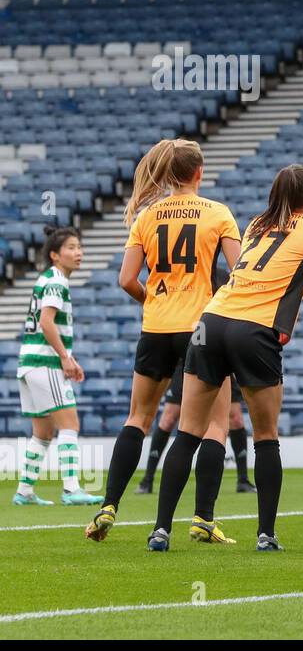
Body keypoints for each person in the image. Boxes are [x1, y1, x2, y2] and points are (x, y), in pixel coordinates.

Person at [145, 164, 303, 552]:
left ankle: (160, 531)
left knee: (188, 431)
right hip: (254, 332)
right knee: (266, 437)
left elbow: (292, 285)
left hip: (210, 323)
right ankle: (265, 535)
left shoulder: (255, 226)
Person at [87, 139, 242, 542]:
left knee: (137, 417)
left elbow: (125, 280)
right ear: (198, 173)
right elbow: (240, 275)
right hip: (202, 330)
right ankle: (201, 519)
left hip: (155, 327)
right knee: (212, 426)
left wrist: (154, 301)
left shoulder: (147, 215)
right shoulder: (218, 214)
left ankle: (108, 505)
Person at [13, 226, 102, 507]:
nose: (79, 253)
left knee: (42, 432)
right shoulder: (57, 281)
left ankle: (24, 492)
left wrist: (68, 358)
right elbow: (46, 322)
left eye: (79, 247)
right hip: (45, 363)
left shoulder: (47, 278)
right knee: (70, 424)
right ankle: (71, 489)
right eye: (72, 248)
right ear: (55, 255)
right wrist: (65, 357)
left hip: (28, 363)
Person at [134, 358, 256, 496]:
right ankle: (147, 480)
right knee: (168, 418)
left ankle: (243, 480)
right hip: (187, 360)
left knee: (236, 419)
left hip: (220, 360)